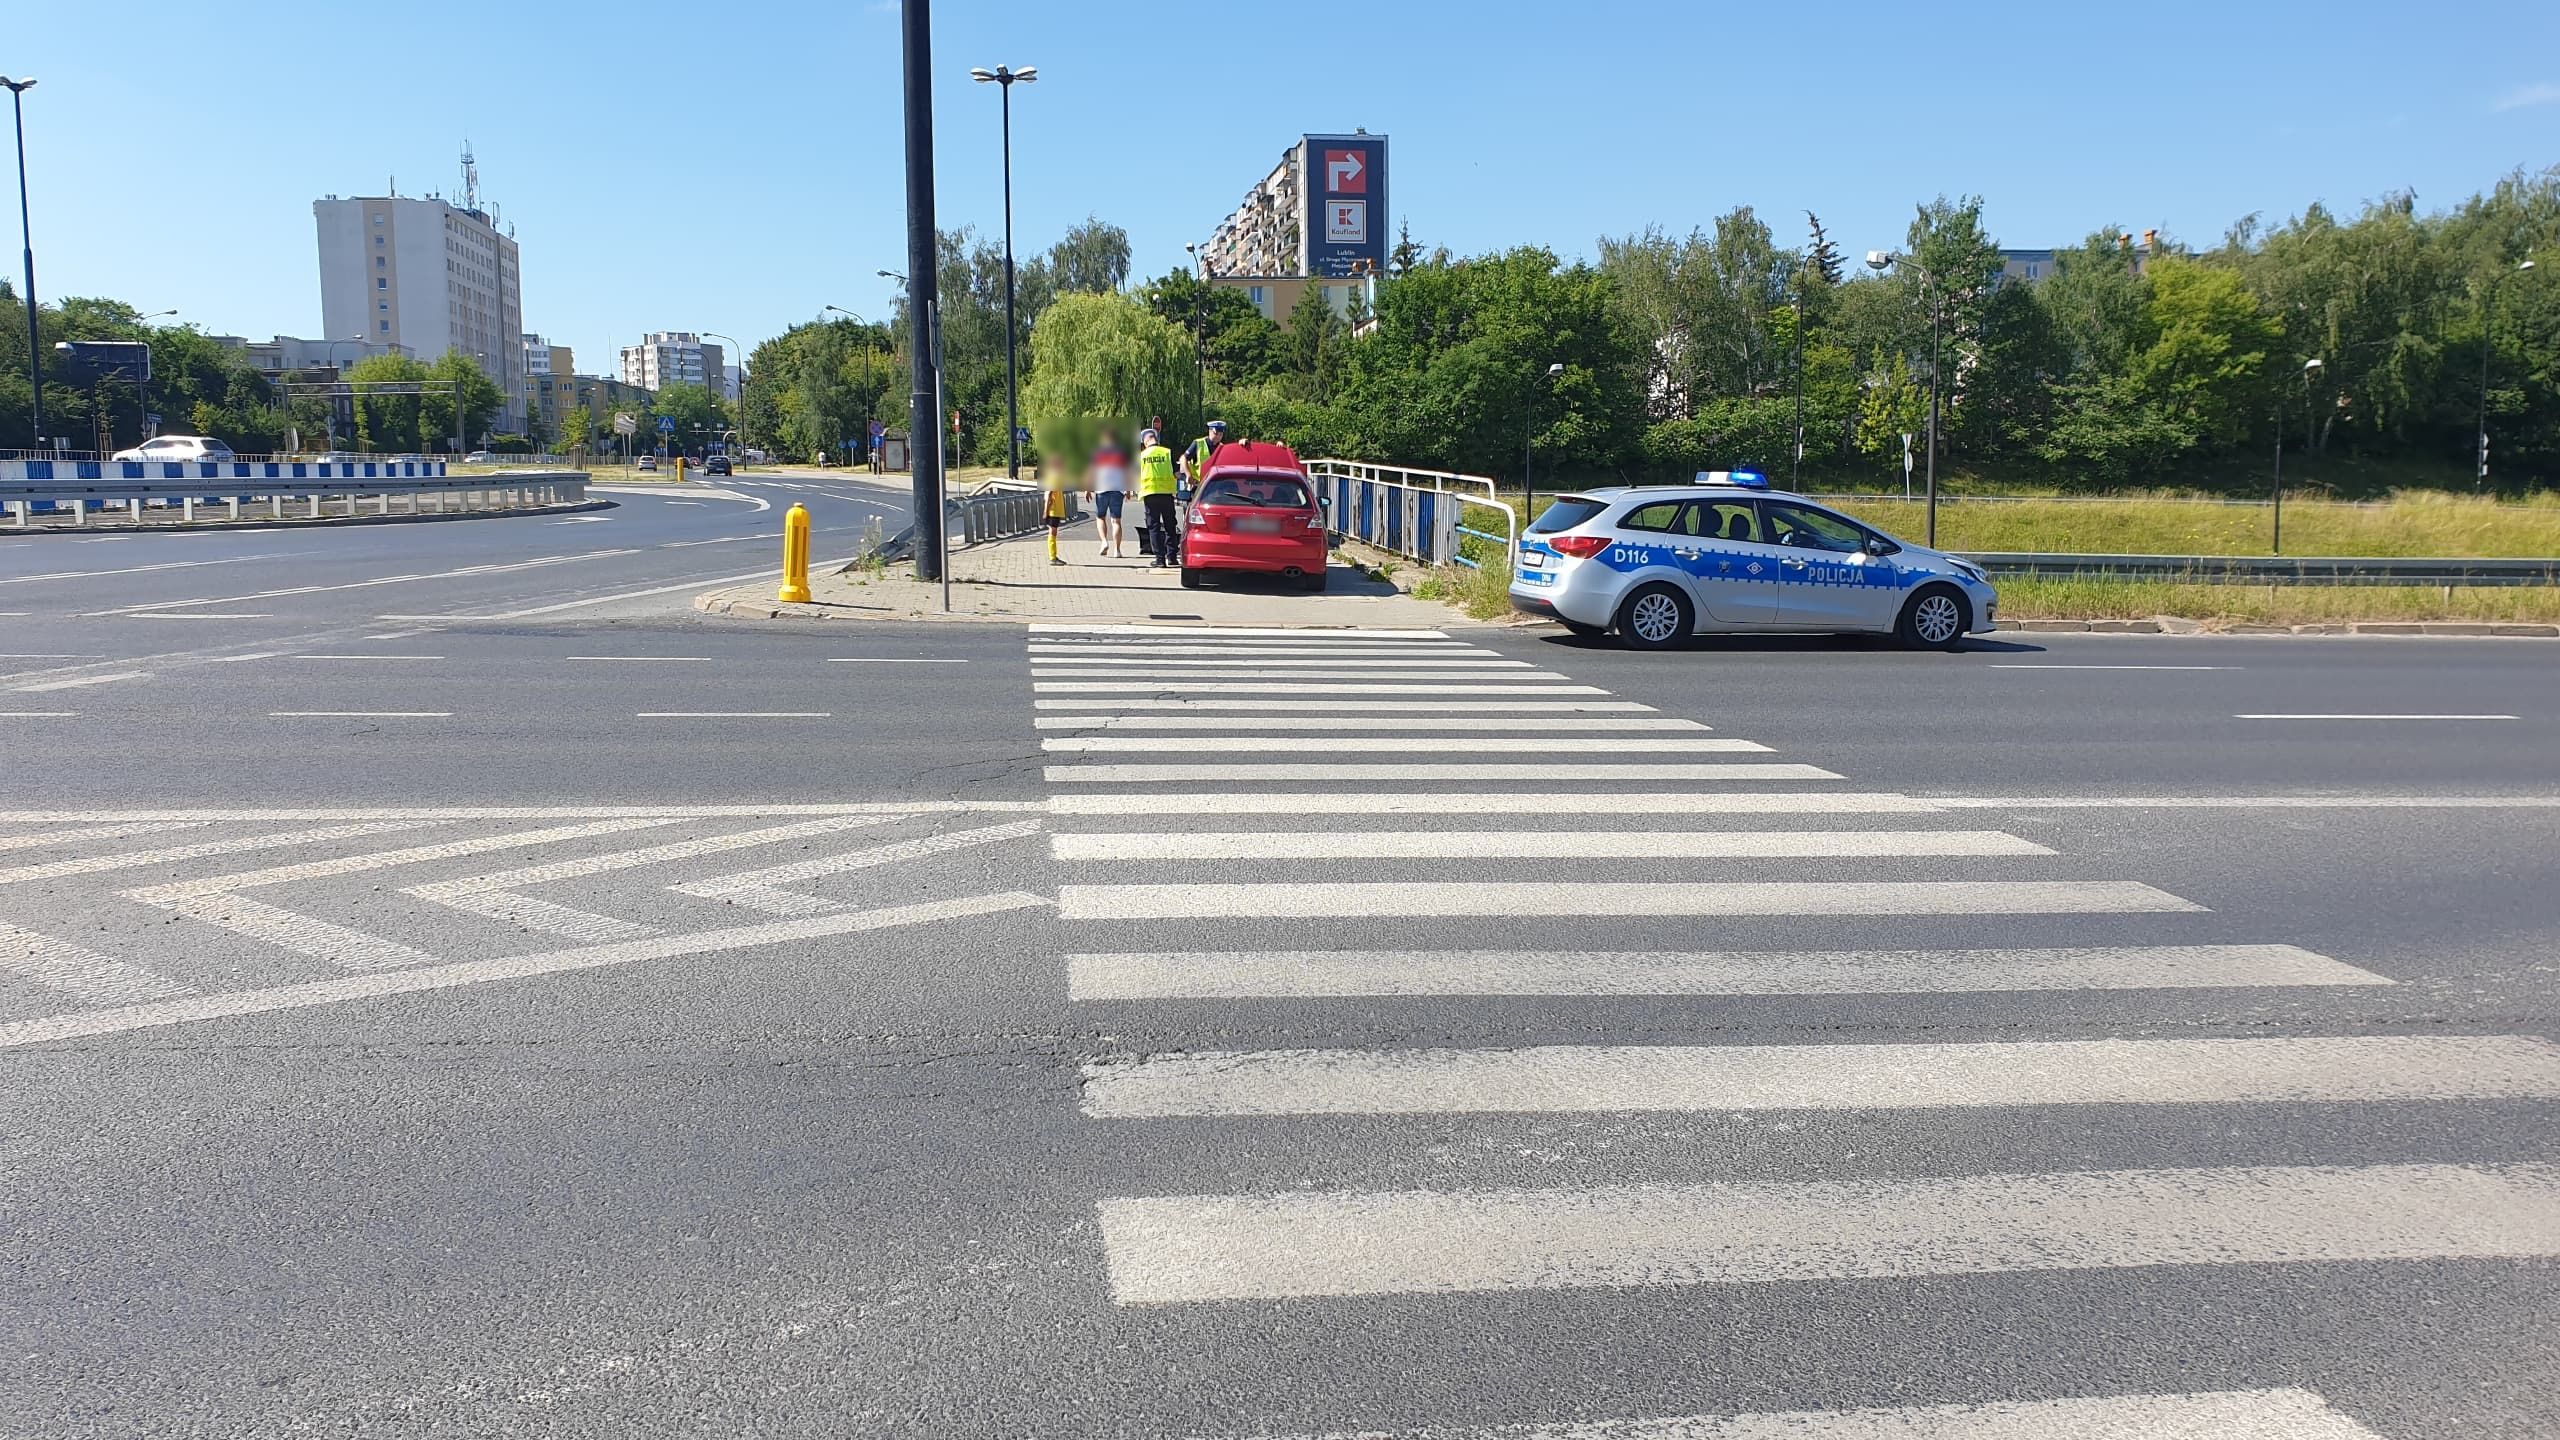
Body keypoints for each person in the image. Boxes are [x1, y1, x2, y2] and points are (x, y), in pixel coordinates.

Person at [1135, 427, 1181, 570]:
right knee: (1170, 525)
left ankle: (1159, 560)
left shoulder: (1141, 456)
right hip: (1166, 494)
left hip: (1149, 495)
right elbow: (1177, 474)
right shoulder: (1167, 452)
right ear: (1156, 438)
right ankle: (1172, 558)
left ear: (1145, 441)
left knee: (1153, 527)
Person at [1088, 429, 1130, 558]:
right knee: (1116, 521)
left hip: (1102, 489)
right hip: (1118, 489)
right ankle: (1117, 550)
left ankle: (1104, 542)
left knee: (1101, 517)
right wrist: (1128, 489)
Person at [1183, 419, 1227, 491]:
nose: (1218, 436)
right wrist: (1188, 474)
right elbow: (1183, 458)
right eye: (1216, 433)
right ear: (1210, 431)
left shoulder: (1222, 447)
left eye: (1221, 434)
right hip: (1198, 486)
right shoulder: (1198, 443)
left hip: (1215, 487)